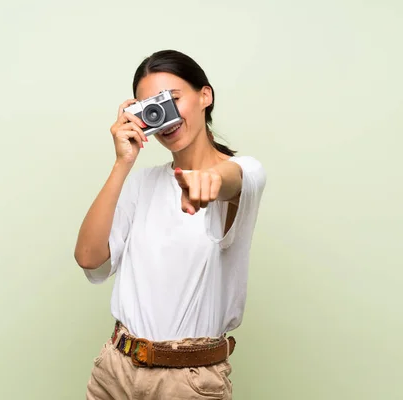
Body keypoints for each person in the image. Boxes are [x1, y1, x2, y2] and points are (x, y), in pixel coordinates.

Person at [74, 49, 266, 399]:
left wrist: (210, 182)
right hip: (115, 369)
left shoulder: (247, 172)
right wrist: (122, 163)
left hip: (187, 381)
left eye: (173, 99)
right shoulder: (141, 183)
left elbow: (233, 178)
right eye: (152, 107)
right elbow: (89, 258)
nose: (166, 115)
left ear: (205, 95)